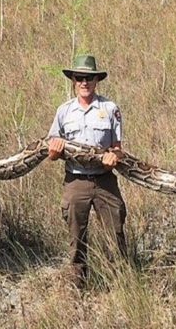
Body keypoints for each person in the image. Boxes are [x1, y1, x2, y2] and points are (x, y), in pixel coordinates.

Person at [48, 55, 127, 288]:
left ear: (96, 80)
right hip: (76, 180)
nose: (84, 82)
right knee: (76, 237)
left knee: (116, 233)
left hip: (105, 180)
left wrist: (115, 156)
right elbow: (51, 152)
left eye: (89, 78)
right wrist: (54, 150)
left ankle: (120, 284)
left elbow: (119, 149)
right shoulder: (64, 111)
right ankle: (78, 286)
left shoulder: (110, 109)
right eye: (80, 77)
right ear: (73, 80)